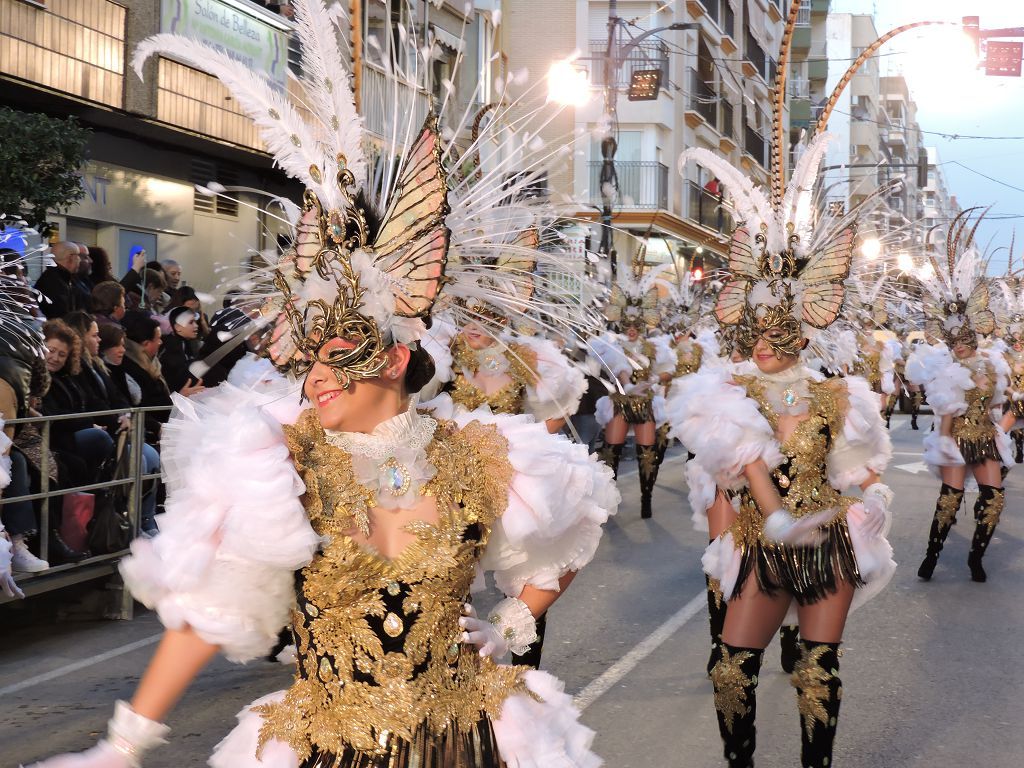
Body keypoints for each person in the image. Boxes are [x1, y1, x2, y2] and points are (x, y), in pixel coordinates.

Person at [29, 5, 616, 764]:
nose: (315, 376)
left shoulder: (481, 454)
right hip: (329, 744)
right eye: (308, 357)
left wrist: (511, 622)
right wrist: (123, 743)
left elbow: (566, 538)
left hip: (466, 740)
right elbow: (206, 615)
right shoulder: (278, 460)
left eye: (338, 354)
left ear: (397, 358)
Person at [670, 104, 895, 766]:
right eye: (754, 333)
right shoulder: (729, 393)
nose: (762, 345)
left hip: (828, 537)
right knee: (732, 668)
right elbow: (739, 463)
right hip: (763, 544)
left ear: (802, 332)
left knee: (818, 670)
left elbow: (854, 466)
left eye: (776, 333)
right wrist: (772, 516)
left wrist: (874, 496)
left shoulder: (839, 394)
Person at [908, 213, 1010, 583]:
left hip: (985, 437)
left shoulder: (994, 366)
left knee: (994, 497)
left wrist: (1001, 432)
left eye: (968, 340)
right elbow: (945, 412)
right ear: (951, 341)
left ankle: (975, 558)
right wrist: (946, 444)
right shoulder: (944, 369)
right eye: (957, 341)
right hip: (955, 437)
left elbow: (999, 406)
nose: (963, 346)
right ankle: (931, 556)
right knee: (950, 498)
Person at [589, 261, 675, 519]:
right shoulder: (615, 345)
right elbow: (618, 367)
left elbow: (670, 369)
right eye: (628, 322)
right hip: (620, 402)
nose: (632, 327)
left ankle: (646, 499)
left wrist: (656, 379)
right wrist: (627, 385)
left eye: (636, 323)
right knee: (611, 451)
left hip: (645, 403)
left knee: (646, 453)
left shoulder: (655, 346)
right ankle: (609, 499)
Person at [40, 319, 115, 486]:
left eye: (62, 354)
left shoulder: (67, 377)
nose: (55, 358)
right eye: (51, 351)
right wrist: (88, 423)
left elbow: (91, 402)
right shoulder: (37, 378)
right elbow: (50, 414)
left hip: (69, 436)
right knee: (98, 441)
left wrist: (119, 418)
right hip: (54, 439)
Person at [120, 312, 203, 444]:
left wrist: (179, 398)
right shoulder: (131, 369)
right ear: (146, 344)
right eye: (158, 339)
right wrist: (177, 400)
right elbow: (143, 406)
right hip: (151, 429)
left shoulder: (152, 363)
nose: (161, 342)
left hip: (165, 420)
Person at [158, 306, 201, 394]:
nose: (196, 326)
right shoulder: (171, 349)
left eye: (195, 322)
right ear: (178, 327)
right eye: (191, 322)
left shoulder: (186, 344)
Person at [34, 241, 83, 319]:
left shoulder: (55, 277)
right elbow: (62, 316)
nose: (80, 260)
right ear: (70, 258)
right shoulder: (55, 283)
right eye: (78, 256)